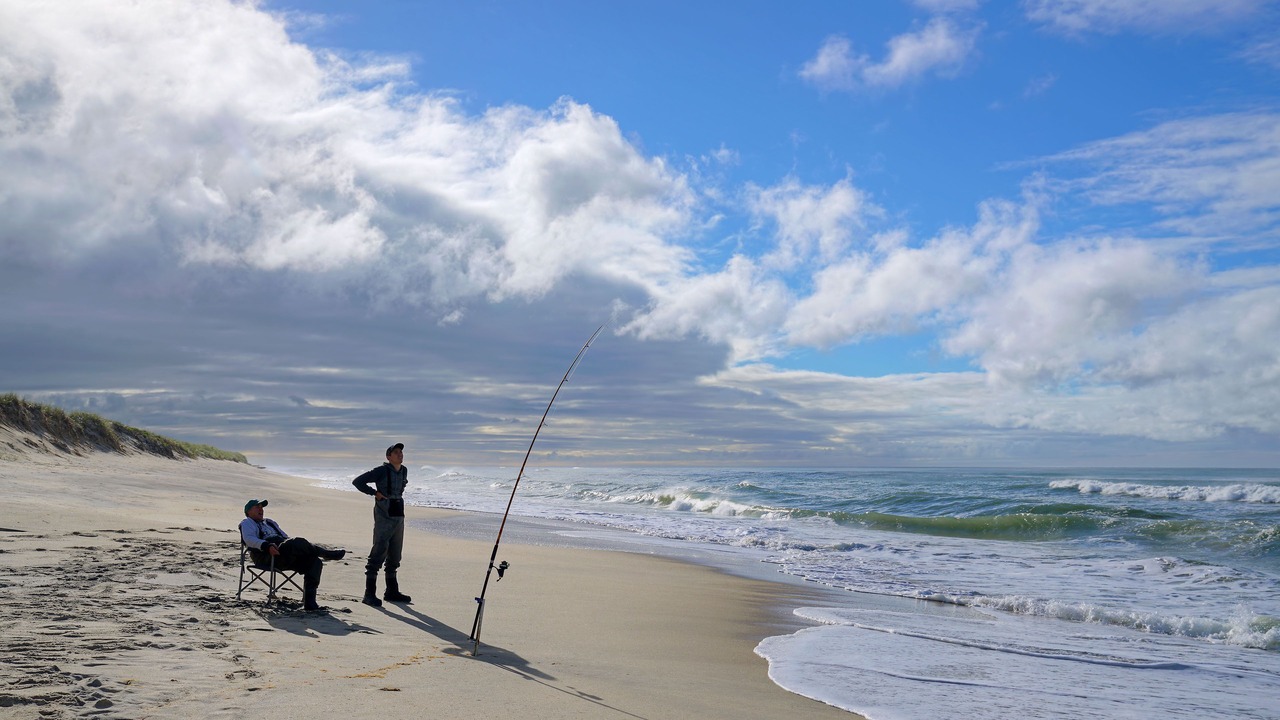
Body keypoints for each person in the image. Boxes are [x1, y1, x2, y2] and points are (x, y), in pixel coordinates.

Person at [239, 499, 346, 612]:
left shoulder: (270, 522)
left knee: (314, 562)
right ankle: (325, 553)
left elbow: (285, 537)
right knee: (297, 541)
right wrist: (266, 546)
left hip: (284, 553)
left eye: (262, 507)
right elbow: (249, 539)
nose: (261, 509)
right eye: (257, 507)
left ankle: (310, 604)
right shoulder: (247, 523)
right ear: (248, 511)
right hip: (266, 555)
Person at [352, 442, 412, 607]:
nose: (400, 454)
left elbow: (402, 485)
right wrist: (375, 493)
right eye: (396, 452)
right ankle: (369, 593)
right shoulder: (381, 470)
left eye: (401, 452)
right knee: (379, 550)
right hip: (383, 514)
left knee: (395, 553)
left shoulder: (404, 470)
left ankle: (391, 591)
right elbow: (357, 482)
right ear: (388, 456)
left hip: (398, 513)